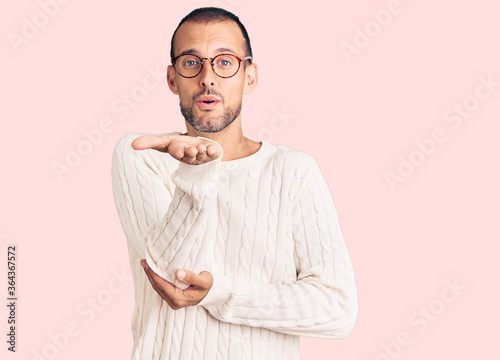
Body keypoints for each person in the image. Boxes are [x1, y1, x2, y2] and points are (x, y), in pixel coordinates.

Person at [111, 6, 358, 360]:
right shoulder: (141, 153)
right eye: (191, 62)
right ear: (171, 78)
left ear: (250, 76)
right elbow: (172, 278)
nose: (208, 78)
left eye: (225, 62)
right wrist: (195, 171)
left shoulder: (294, 171)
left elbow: (338, 309)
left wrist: (222, 294)